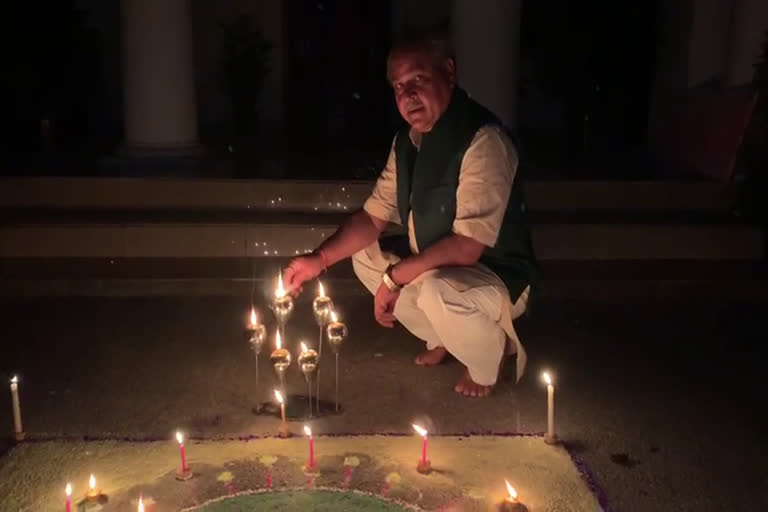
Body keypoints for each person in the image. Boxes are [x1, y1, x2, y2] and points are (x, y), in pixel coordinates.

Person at [283, 28, 537, 398]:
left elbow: (468, 248)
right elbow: (372, 219)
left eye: (418, 79)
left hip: (496, 275)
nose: (408, 95)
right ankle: (445, 337)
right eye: (400, 87)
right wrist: (318, 260)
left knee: (436, 291)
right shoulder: (407, 142)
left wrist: (396, 278)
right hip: (440, 269)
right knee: (364, 257)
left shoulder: (484, 140)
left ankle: (487, 359)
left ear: (448, 73)